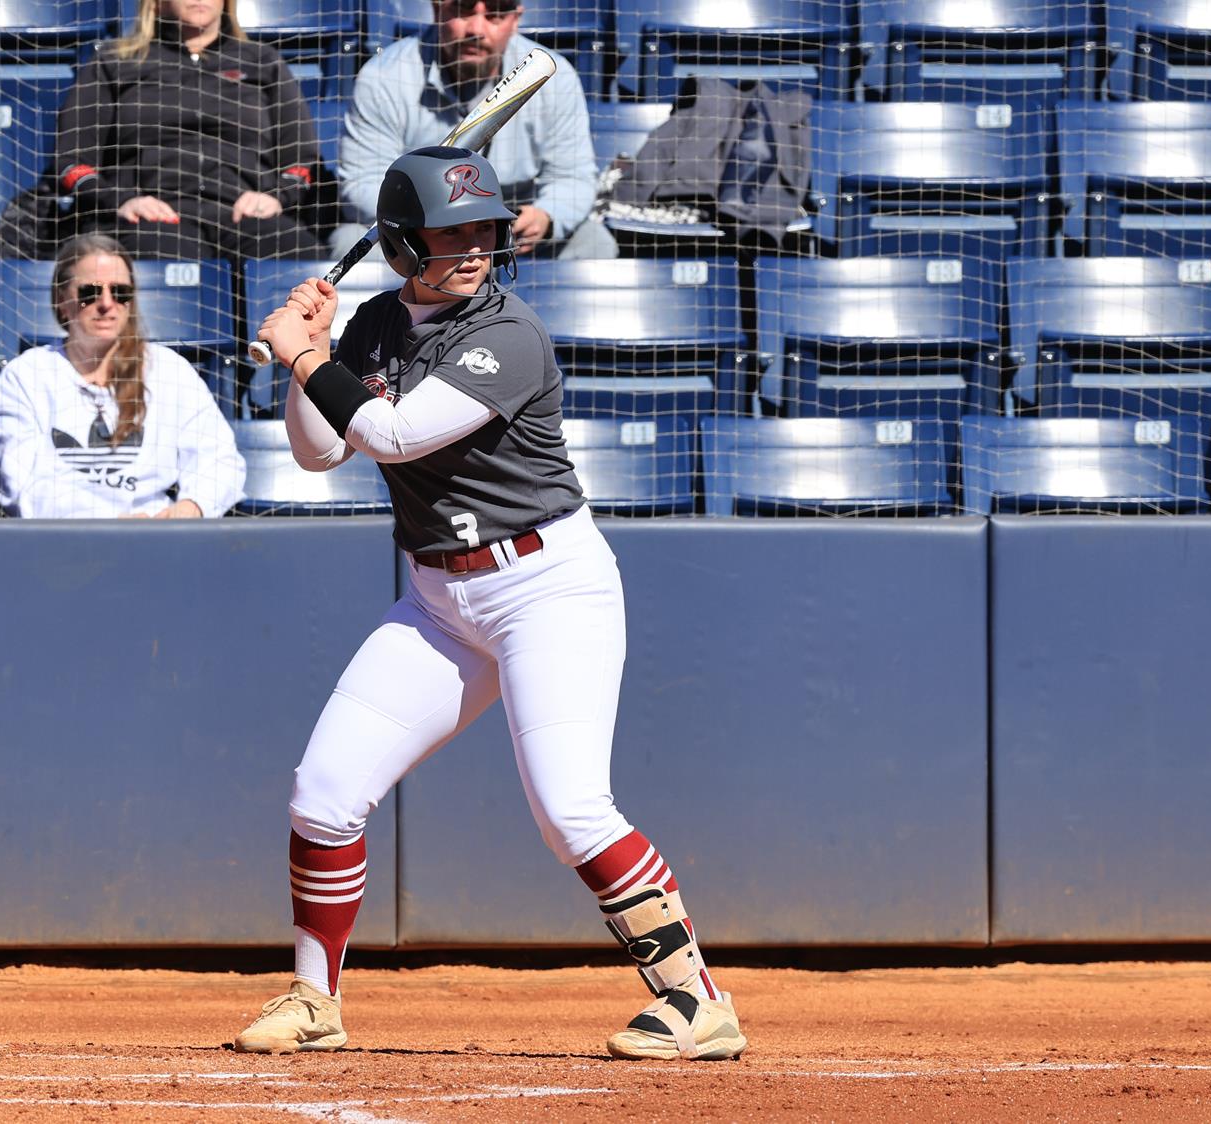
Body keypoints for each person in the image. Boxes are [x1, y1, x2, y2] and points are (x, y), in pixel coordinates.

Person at [235, 146, 744, 1061]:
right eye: (452, 232)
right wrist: (307, 352)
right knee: (323, 794)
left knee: (572, 811)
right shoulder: (380, 322)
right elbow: (318, 452)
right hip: (439, 597)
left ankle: (696, 998)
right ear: (402, 244)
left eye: (485, 231)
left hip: (547, 587)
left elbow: (391, 434)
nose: (475, 248)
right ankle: (316, 1001)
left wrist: (307, 353)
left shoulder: (508, 333)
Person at [0, 234, 246, 517]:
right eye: (90, 292)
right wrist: (108, 523)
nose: (107, 303)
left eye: (120, 292)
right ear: (62, 300)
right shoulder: (25, 376)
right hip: (63, 541)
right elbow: (21, 486)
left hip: (156, 538)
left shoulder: (170, 371)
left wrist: (192, 507)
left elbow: (220, 460)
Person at [332, 0, 612, 260]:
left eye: (495, 13)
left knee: (595, 242)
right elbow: (362, 181)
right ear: (437, 9)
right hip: (421, 230)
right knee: (350, 242)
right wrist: (432, 221)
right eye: (464, 9)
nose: (476, 29)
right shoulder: (384, 76)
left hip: (515, 227)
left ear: (515, 20)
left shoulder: (552, 75)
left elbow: (572, 177)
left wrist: (546, 216)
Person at [53, 0, 325, 263]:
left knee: (299, 256)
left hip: (245, 213)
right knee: (155, 259)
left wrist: (275, 197)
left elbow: (302, 157)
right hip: (152, 218)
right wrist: (122, 201)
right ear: (156, 3)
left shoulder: (263, 61)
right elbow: (71, 162)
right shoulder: (115, 61)